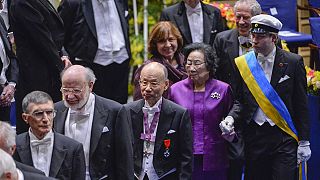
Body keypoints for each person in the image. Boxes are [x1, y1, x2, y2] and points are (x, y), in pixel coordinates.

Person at [222, 14, 311, 179]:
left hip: (283, 136)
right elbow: (239, 101)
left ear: (273, 37)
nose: (254, 40)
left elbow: (301, 105)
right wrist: (231, 118)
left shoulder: (293, 62)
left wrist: (304, 141)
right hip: (255, 137)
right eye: (253, 35)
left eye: (260, 36)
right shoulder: (242, 64)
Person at [53, 65, 133, 180]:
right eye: (65, 90)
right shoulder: (55, 110)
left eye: (76, 90)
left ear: (90, 86)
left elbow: (124, 158)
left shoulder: (114, 111)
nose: (70, 96)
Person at [169, 43, 235, 180]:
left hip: (215, 155)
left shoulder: (223, 89)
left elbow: (233, 120)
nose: (191, 68)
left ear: (209, 65)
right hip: (184, 155)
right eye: (188, 63)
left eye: (197, 63)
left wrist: (231, 134)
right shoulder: (175, 90)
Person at [213, 1, 262, 179]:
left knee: (256, 161)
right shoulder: (221, 39)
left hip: (259, 107)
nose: (241, 22)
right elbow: (215, 73)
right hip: (230, 106)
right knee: (235, 158)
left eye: (246, 18)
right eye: (238, 17)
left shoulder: (266, 40)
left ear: (255, 19)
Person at [9, 0, 71, 134]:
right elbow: (42, 39)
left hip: (49, 71)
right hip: (35, 76)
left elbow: (55, 35)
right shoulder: (21, 3)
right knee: (36, 123)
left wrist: (63, 55)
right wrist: (61, 69)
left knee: (51, 123)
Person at [123, 62, 193, 179]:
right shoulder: (127, 111)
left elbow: (186, 157)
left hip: (165, 175)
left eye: (154, 83)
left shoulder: (179, 114)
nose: (148, 88)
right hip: (135, 175)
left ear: (165, 85)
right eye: (144, 83)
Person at [57, 0, 131, 104]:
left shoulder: (120, 1)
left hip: (120, 63)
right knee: (91, 111)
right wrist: (65, 56)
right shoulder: (73, 2)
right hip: (89, 66)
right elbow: (58, 34)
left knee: (119, 110)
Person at [13, 91, 86, 180]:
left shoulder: (73, 148)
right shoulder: (13, 145)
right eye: (39, 113)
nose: (46, 119)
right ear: (25, 118)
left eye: (49, 112)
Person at [133, 21, 187, 100]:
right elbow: (139, 100)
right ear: (155, 44)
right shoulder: (148, 67)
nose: (168, 45)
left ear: (177, 40)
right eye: (162, 41)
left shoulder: (187, 63)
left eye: (171, 39)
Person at [160, 0, 226, 47]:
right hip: (180, 63)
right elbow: (162, 40)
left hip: (209, 63)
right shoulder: (168, 14)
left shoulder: (215, 12)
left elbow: (221, 41)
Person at [0, 7, 18, 122]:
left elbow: (12, 56)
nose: (2, 7)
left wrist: (11, 84)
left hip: (6, 93)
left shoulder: (0, 19)